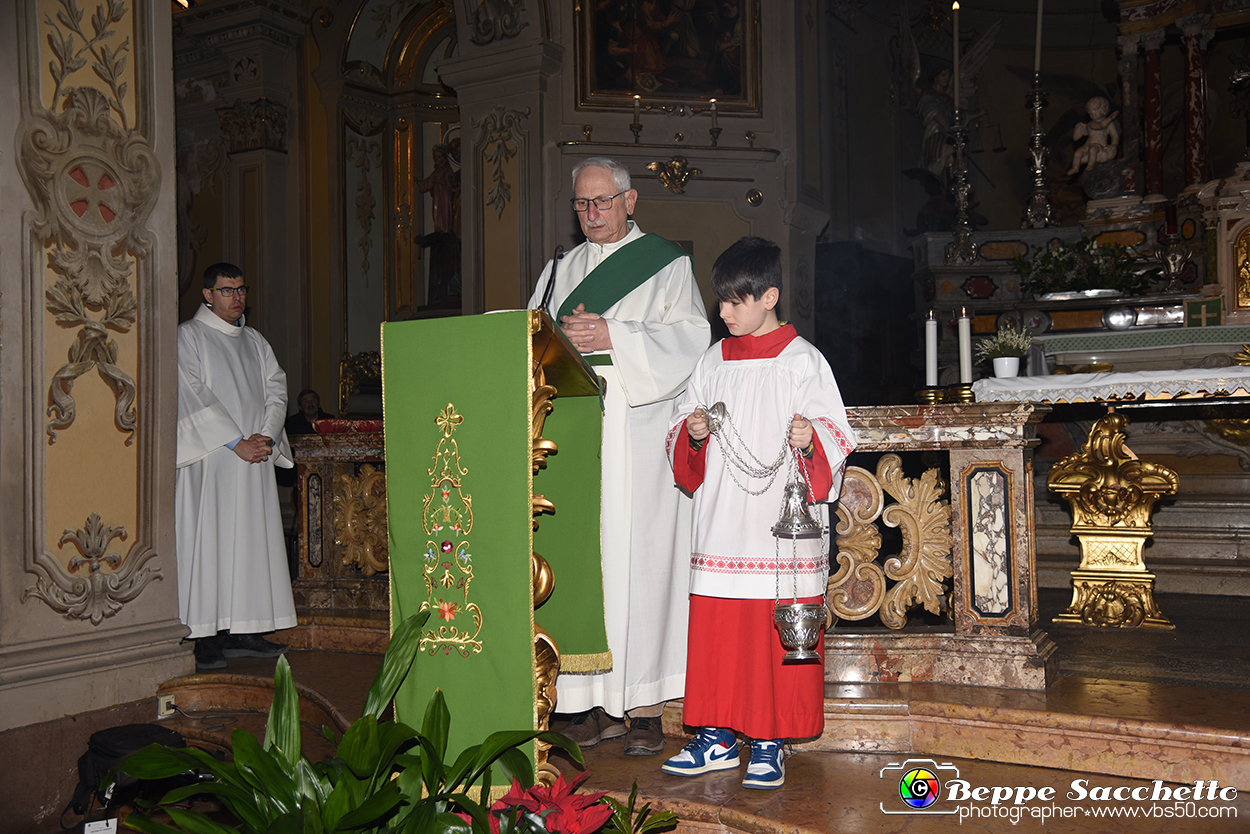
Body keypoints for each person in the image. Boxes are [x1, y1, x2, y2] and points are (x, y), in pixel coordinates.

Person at [528, 157, 710, 756]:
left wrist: (616, 337)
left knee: (640, 565)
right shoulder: (560, 269)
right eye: (582, 204)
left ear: (630, 202)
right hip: (573, 433)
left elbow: (691, 336)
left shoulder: (666, 262)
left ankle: (643, 706)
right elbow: (532, 337)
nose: (591, 214)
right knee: (581, 562)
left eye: (602, 202)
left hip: (635, 429)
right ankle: (581, 703)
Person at [662, 237, 856, 789]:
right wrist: (692, 433)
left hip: (780, 527)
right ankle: (717, 736)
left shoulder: (803, 362)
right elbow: (679, 435)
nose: (722, 312)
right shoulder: (712, 361)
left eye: (734, 301)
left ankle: (770, 739)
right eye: (720, 301)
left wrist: (810, 435)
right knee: (720, 634)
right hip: (723, 521)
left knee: (774, 633)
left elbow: (838, 437)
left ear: (769, 296)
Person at [175, 262, 298, 670]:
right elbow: (191, 394)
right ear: (207, 295)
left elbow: (276, 389)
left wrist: (263, 436)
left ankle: (243, 627)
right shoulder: (189, 337)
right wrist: (235, 442)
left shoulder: (256, 342)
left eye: (242, 289)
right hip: (212, 463)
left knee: (249, 542)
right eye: (227, 290)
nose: (237, 297)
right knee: (209, 539)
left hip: (253, 458)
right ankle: (204, 636)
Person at [1068, 96, 1120, 175]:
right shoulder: (1091, 124)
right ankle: (1075, 168)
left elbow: (1114, 135)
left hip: (1099, 147)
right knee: (1077, 153)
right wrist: (1111, 117)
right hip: (1087, 146)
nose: (1092, 113)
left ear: (1103, 110)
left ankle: (1090, 165)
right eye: (1090, 112)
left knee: (1093, 149)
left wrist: (1114, 145)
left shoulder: (1110, 125)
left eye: (1095, 110)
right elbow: (1100, 126)